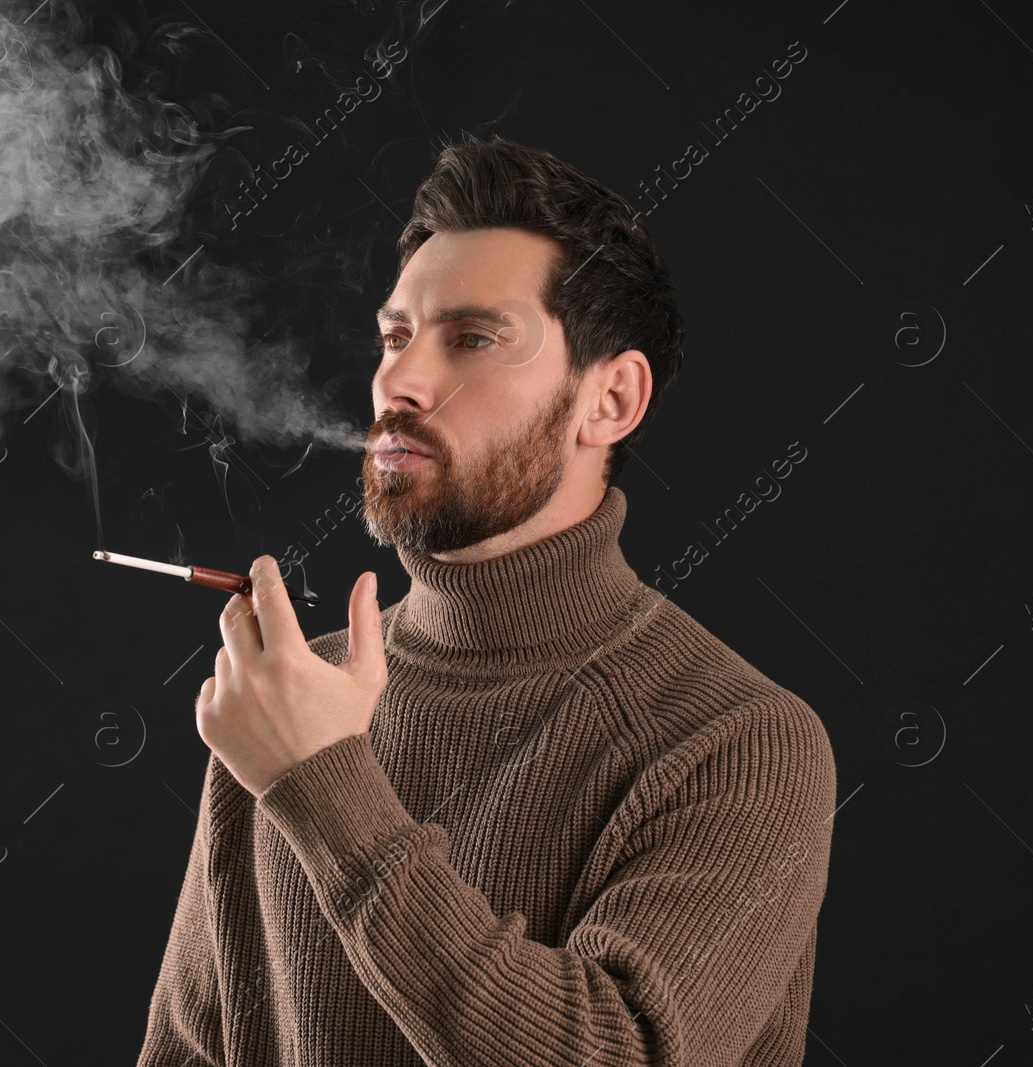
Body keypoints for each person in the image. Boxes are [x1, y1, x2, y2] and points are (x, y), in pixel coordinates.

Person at [137, 132, 837, 1067]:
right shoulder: (286, 706)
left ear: (612, 400)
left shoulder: (740, 741)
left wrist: (327, 788)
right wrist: (304, 765)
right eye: (395, 337)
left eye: (472, 338)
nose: (399, 381)